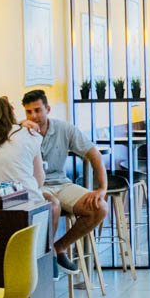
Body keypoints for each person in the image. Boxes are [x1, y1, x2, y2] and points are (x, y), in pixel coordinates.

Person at [0, 96, 75, 271]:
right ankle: (50, 254)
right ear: (10, 114)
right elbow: (39, 178)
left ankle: (51, 254)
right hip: (27, 202)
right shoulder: (29, 134)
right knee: (53, 202)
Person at [19, 89, 110, 259]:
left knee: (100, 208)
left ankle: (58, 248)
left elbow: (94, 154)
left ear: (48, 109)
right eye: (28, 112)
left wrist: (102, 188)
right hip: (35, 186)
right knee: (53, 205)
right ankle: (45, 258)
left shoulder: (64, 128)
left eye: (38, 110)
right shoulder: (20, 131)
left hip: (61, 183)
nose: (33, 116)